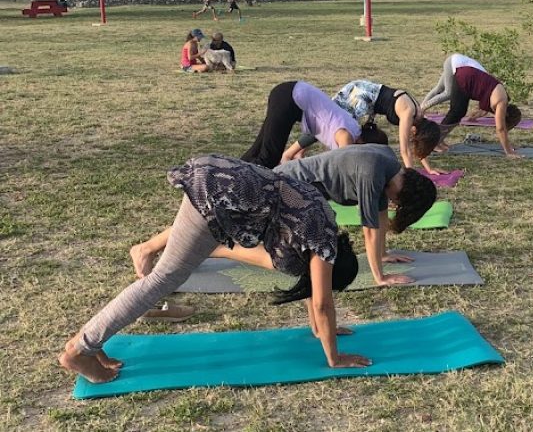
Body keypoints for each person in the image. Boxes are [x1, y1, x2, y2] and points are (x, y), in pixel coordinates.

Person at [59, 154, 370, 384]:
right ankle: (80, 350)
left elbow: (315, 296)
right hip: (217, 194)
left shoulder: (323, 222)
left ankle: (91, 343)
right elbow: (321, 300)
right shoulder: (322, 244)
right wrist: (334, 357)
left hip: (218, 177)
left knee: (163, 278)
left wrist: (319, 330)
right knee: (163, 280)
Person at [274, 144, 437, 286]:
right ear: (405, 195)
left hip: (297, 185)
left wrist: (382, 254)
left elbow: (381, 215)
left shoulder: (389, 165)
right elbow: (370, 230)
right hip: (287, 185)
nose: (395, 205)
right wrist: (381, 277)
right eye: (400, 204)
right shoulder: (372, 175)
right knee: (289, 256)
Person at [241, 81, 367, 169]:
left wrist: (295, 152)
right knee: (269, 159)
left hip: (289, 93)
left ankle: (234, 174)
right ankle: (242, 188)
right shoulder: (347, 136)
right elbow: (345, 165)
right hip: (291, 97)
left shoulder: (354, 127)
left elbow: (320, 128)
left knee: (257, 149)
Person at [421, 53, 523, 158]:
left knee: (458, 111)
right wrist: (509, 151)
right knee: (457, 111)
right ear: (506, 115)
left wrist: (472, 118)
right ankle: (433, 141)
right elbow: (500, 129)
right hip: (466, 77)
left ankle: (438, 140)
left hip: (467, 75)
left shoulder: (500, 98)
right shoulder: (501, 102)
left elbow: (481, 110)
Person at [332, 80, 441, 173]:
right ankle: (342, 166)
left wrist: (429, 169)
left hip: (366, 94)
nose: (412, 136)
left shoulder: (419, 118)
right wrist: (411, 176)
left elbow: (419, 145)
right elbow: (405, 150)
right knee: (343, 130)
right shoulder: (408, 112)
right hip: (362, 94)